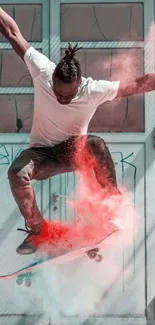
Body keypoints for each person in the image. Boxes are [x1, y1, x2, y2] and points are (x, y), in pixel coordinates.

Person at [0, 7, 154, 255]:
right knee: (17, 172)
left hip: (74, 150)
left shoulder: (94, 89)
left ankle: (112, 207)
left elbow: (136, 85)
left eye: (68, 96)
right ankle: (38, 229)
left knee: (96, 144)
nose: (62, 98)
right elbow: (11, 32)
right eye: (57, 93)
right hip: (41, 154)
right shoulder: (42, 71)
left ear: (79, 85)